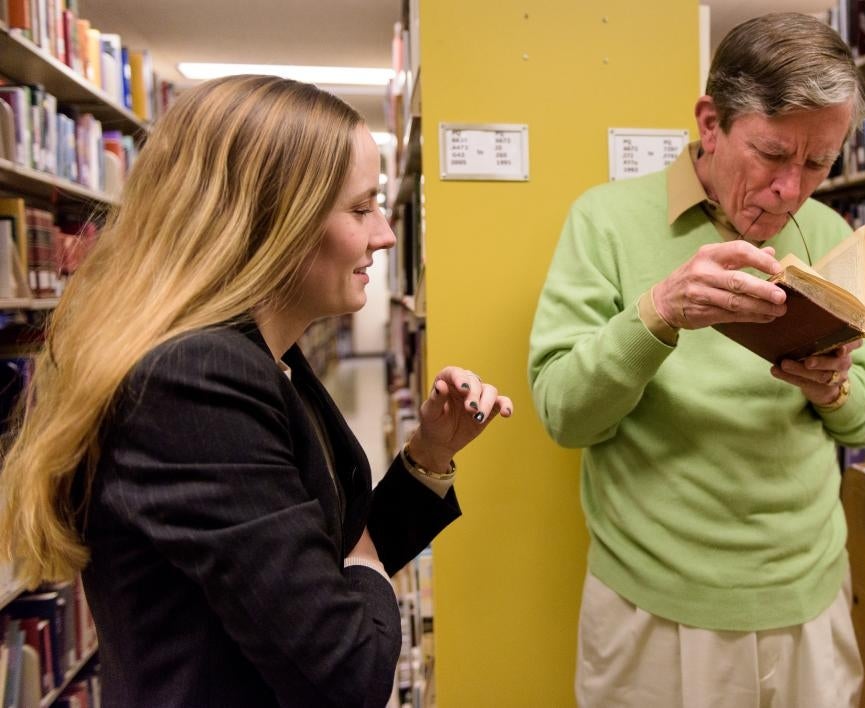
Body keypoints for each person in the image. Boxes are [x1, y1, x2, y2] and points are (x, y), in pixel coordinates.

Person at [0, 75, 512, 708]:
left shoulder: (267, 352)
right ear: (273, 222)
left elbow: (315, 557)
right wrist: (361, 564)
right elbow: (347, 673)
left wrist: (429, 457)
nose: (384, 233)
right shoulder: (196, 380)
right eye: (360, 208)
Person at [529, 13, 865, 708]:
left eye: (818, 164)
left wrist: (832, 389)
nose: (791, 190)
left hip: (807, 595)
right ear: (710, 122)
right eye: (772, 153)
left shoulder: (832, 233)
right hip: (651, 603)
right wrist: (658, 312)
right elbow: (563, 414)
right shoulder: (603, 220)